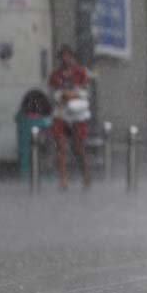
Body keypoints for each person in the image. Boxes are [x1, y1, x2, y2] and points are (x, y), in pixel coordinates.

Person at [49, 45, 92, 189]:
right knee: (60, 145)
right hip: (61, 112)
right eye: (63, 56)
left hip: (77, 114)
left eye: (68, 56)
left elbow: (87, 92)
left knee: (77, 146)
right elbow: (53, 93)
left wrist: (74, 94)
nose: (66, 59)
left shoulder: (81, 72)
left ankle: (85, 173)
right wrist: (62, 95)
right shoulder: (55, 75)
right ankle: (63, 179)